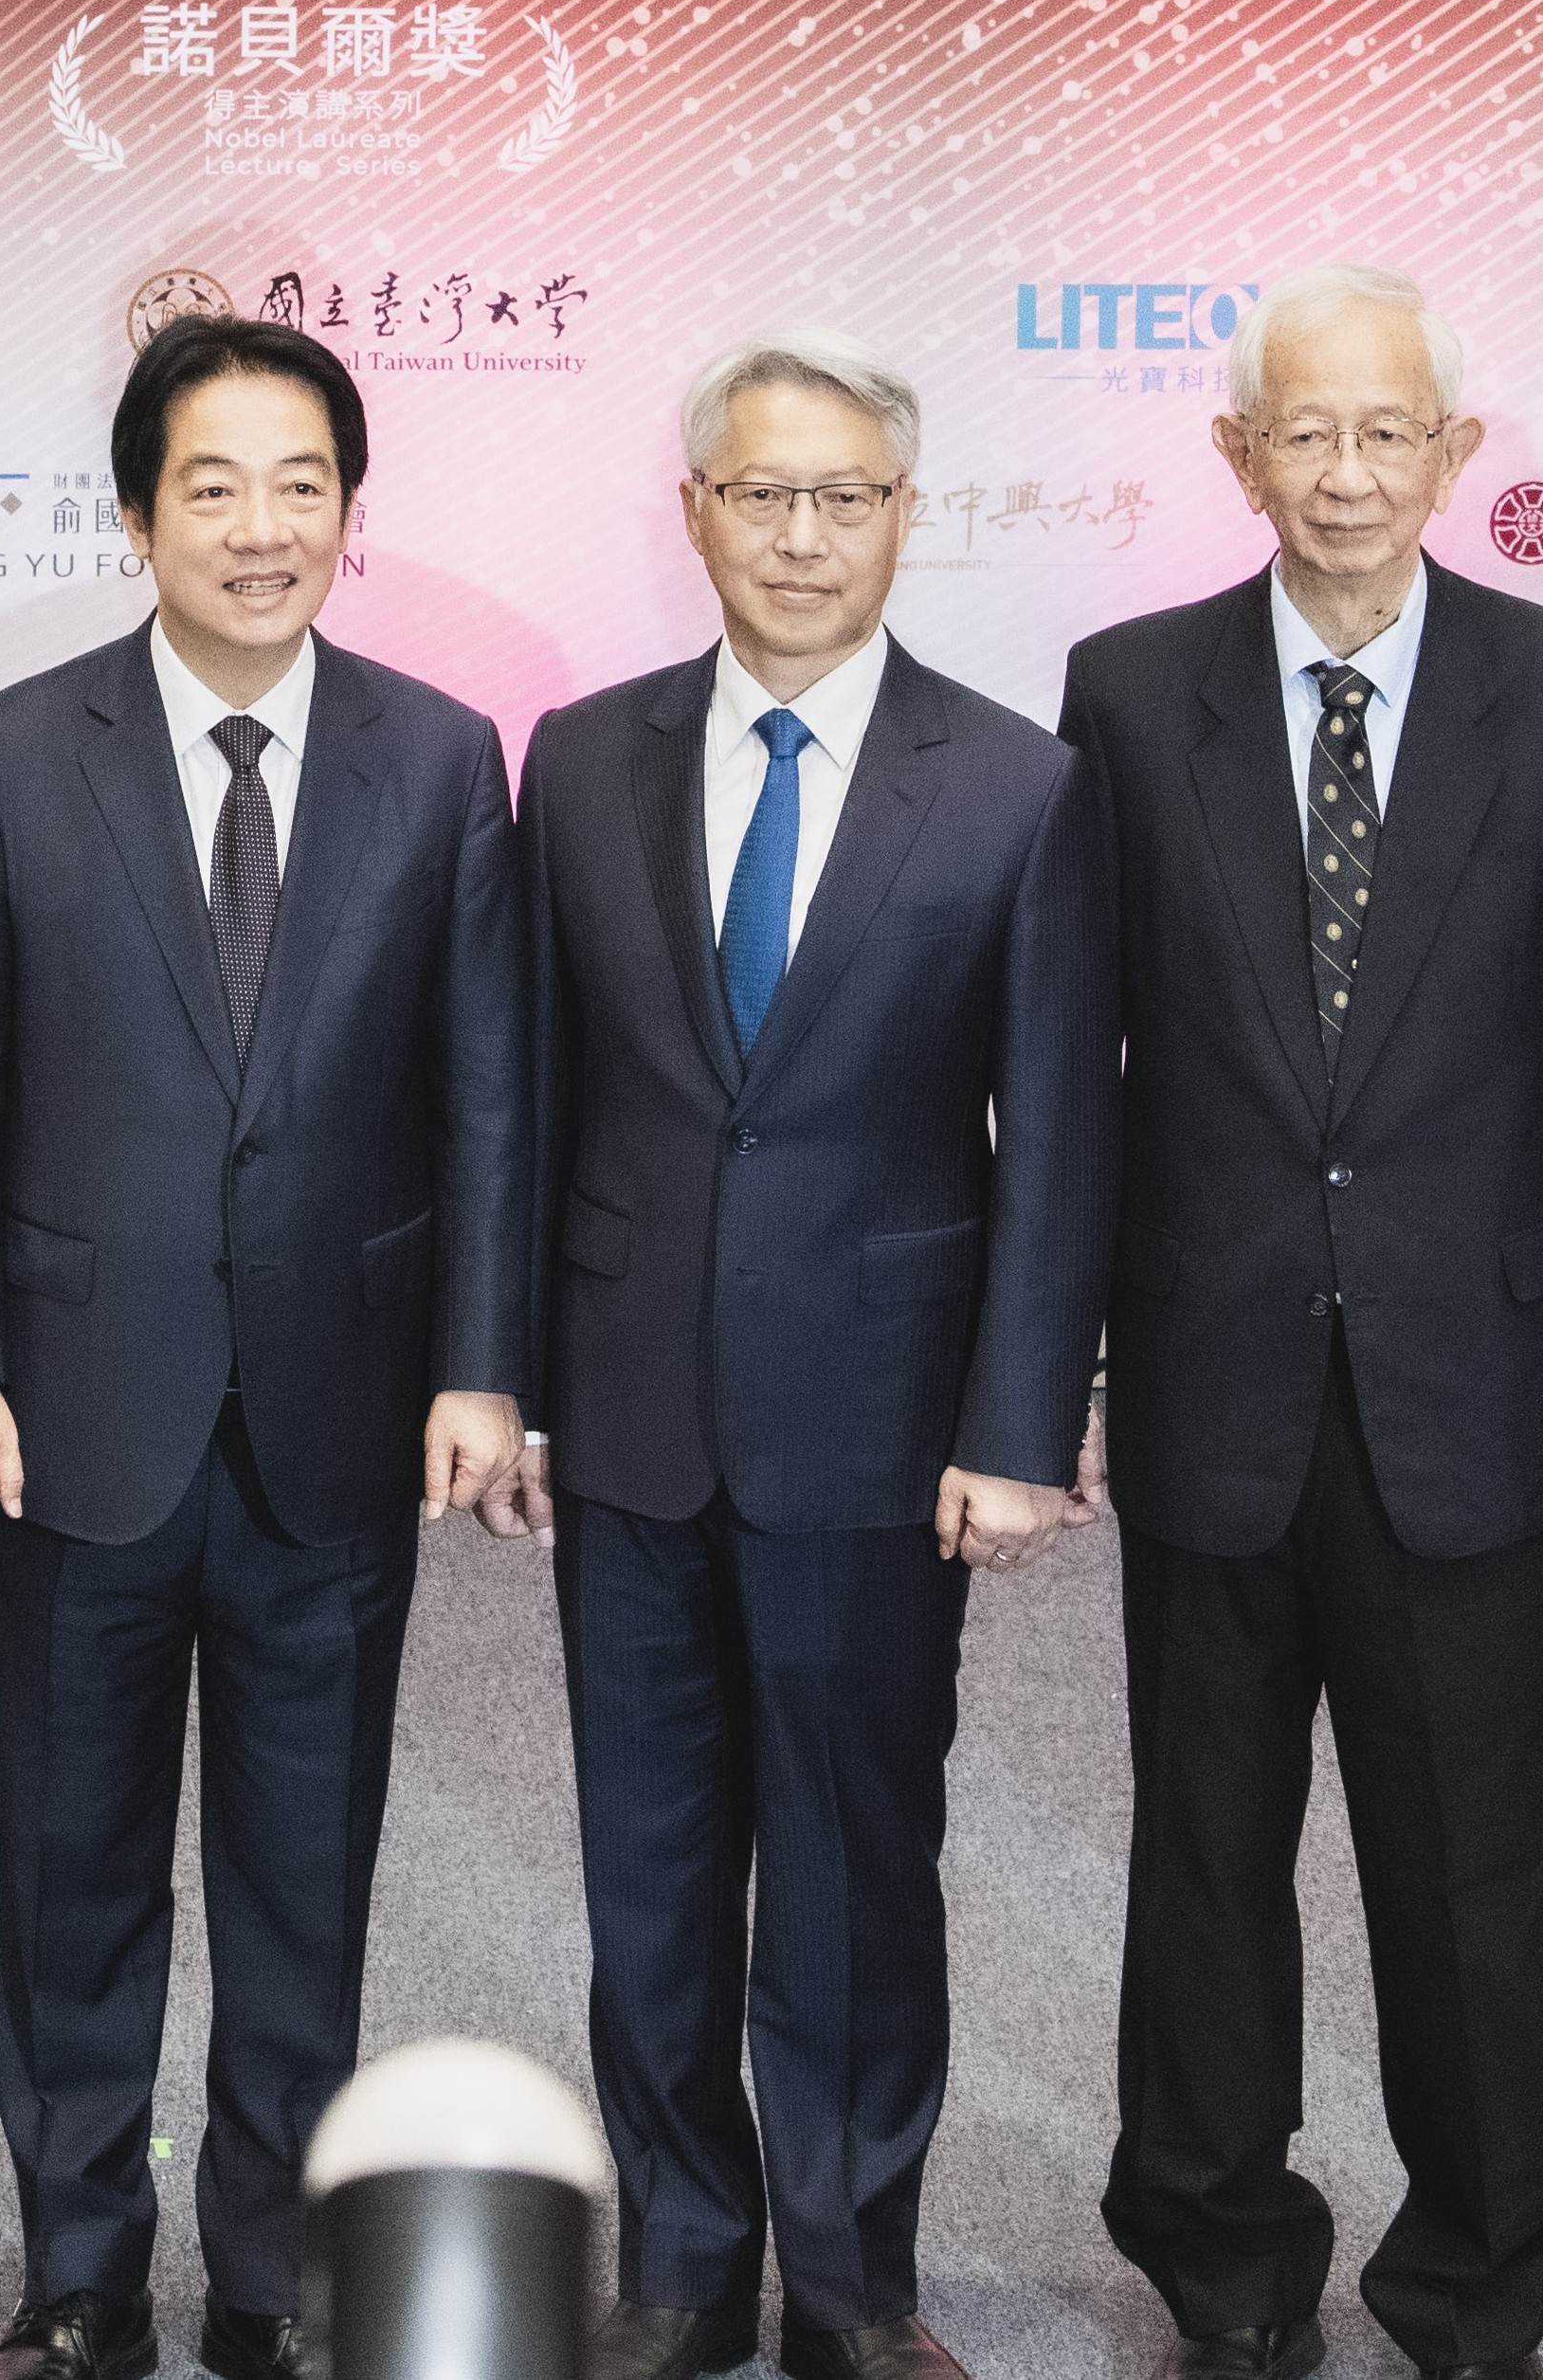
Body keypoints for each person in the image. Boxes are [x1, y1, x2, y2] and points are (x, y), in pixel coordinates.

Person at [0, 312, 536, 2380]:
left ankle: (265, 2279)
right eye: (213, 485)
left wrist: (479, 1363)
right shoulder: (12, 753)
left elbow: (488, 1098)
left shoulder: (441, 756)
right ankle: (80, 2273)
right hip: (72, 1415)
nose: (261, 528)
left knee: (298, 1885)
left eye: (301, 485)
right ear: (136, 510)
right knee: (70, 1873)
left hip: (341, 1418)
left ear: (350, 511)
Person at [1061, 261, 1543, 2380]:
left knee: (1472, 1862)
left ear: (1454, 453)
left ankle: (1477, 2272)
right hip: (1213, 1371)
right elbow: (1078, 1071)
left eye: (1382, 431)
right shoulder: (1129, 697)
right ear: (1238, 455)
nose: (1342, 472)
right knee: (1205, 1853)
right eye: (1300, 433)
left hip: (1484, 1386)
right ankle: (1223, 2257)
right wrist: (1067, 1370)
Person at [523, 336, 1117, 2380]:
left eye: (844, 496)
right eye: (761, 493)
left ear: (902, 516)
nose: (800, 533)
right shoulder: (581, 759)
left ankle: (855, 2273)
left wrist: (1023, 1418)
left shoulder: (1020, 783)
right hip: (625, 1413)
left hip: (883, 1421)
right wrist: (504, 1379)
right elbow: (530, 1096)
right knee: (655, 1863)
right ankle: (685, 2255)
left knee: (862, 1862)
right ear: (694, 509)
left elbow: (1058, 1132)